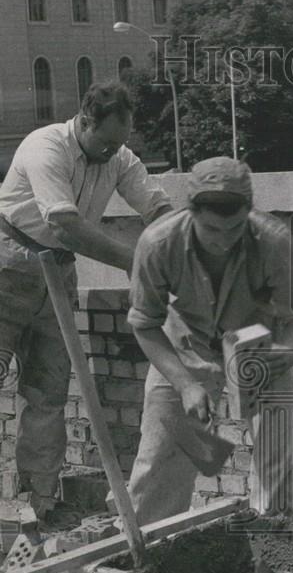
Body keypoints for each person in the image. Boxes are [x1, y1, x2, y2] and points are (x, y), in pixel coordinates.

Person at [0, 81, 174, 519]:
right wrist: (133, 261)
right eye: (106, 142)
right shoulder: (45, 146)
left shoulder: (118, 156)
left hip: (57, 273)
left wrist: (175, 244)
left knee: (47, 391)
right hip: (8, 266)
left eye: (120, 142)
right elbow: (65, 225)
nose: (111, 152)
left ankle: (38, 505)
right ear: (84, 121)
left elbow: (156, 207)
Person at [126, 156, 293, 525]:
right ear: (191, 212)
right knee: (160, 457)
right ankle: (149, 549)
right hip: (184, 347)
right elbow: (145, 325)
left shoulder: (273, 241)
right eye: (212, 229)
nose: (223, 241)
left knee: (281, 459)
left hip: (259, 350)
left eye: (234, 229)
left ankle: (281, 548)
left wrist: (284, 354)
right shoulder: (158, 243)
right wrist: (185, 385)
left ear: (249, 211)